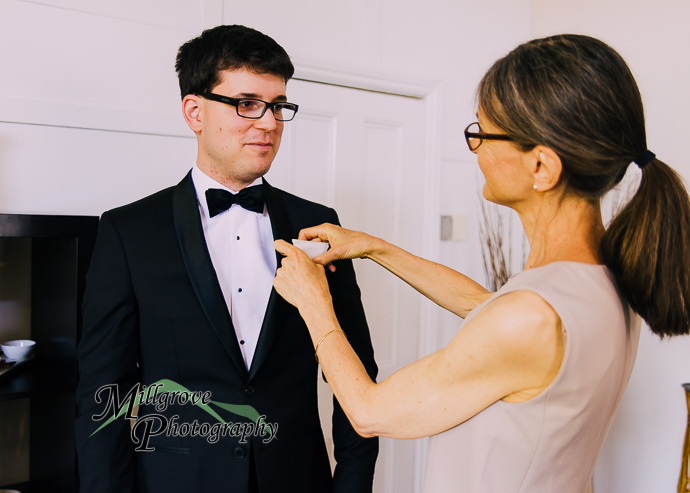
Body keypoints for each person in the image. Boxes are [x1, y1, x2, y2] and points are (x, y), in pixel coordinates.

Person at [272, 34, 690, 493]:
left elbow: (369, 411)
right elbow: (488, 306)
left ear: (541, 168)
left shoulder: (529, 318)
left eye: (483, 134)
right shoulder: (604, 283)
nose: (477, 150)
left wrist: (315, 302)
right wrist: (374, 248)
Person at [75, 25, 378, 493]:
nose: (269, 123)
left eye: (278, 106)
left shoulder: (319, 227)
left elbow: (356, 371)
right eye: (247, 104)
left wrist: (352, 486)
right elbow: (103, 394)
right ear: (194, 112)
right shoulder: (127, 232)